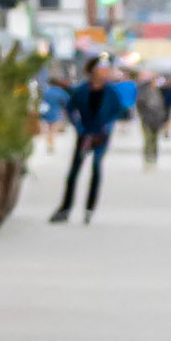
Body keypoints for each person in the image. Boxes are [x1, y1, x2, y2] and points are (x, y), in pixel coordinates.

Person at [50, 54, 125, 224]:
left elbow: (116, 111)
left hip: (101, 135)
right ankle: (65, 208)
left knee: (96, 168)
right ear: (93, 71)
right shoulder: (82, 90)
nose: (104, 73)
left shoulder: (111, 92)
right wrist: (78, 126)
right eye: (101, 69)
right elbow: (70, 108)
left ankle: (89, 208)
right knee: (74, 172)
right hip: (84, 134)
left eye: (106, 70)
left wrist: (107, 126)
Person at [135, 73, 169, 168]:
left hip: (157, 119)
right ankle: (147, 158)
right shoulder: (144, 93)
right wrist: (143, 115)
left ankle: (154, 157)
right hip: (146, 119)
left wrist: (164, 119)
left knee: (155, 139)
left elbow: (163, 107)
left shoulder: (160, 92)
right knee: (148, 139)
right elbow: (140, 105)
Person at [39, 69, 70, 155]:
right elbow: (66, 102)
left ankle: (49, 143)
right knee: (53, 130)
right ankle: (51, 143)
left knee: (47, 129)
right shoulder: (60, 92)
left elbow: (40, 101)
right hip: (56, 113)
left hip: (45, 112)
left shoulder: (45, 91)